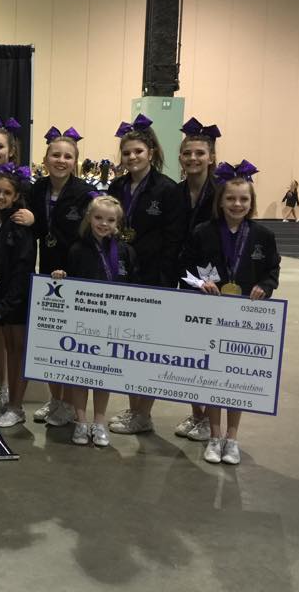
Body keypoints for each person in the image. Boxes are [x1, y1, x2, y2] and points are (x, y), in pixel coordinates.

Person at [181, 160, 280, 465]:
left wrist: (265, 285)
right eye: (231, 199)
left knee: (234, 377)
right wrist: (200, 283)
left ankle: (232, 438)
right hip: (211, 312)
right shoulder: (203, 232)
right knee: (213, 376)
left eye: (243, 199)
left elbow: (272, 270)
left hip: (244, 315)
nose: (237, 204)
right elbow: (185, 267)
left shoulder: (263, 236)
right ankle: (214, 435)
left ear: (251, 202)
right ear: (220, 201)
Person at [106, 114, 184, 435]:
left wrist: (165, 281)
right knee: (127, 347)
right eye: (127, 153)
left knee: (147, 349)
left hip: (153, 279)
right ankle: (133, 408)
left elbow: (174, 240)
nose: (132, 157)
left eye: (138, 151)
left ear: (151, 152)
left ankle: (144, 413)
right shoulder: (116, 187)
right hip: (121, 276)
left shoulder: (167, 190)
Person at [52, 194, 138, 447]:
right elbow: (69, 283)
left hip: (113, 324)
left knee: (104, 375)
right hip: (82, 323)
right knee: (80, 375)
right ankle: (81, 422)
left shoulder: (126, 252)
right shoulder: (77, 250)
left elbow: (134, 287)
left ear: (118, 223)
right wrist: (61, 277)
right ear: (89, 218)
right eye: (98, 218)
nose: (103, 224)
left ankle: (99, 422)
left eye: (110, 220)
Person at [27, 126, 92, 427]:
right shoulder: (36, 189)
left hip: (75, 273)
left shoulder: (84, 193)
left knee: (72, 341)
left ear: (75, 161)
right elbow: (38, 228)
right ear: (45, 159)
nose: (61, 160)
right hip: (48, 272)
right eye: (55, 155)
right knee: (51, 340)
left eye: (67, 156)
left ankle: (70, 404)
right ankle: (56, 399)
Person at [173, 116, 221, 442]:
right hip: (184, 277)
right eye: (188, 153)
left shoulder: (221, 193)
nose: (193, 158)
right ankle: (196, 414)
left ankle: (210, 419)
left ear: (211, 157)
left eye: (199, 153)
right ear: (180, 157)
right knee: (189, 349)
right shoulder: (173, 193)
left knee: (210, 351)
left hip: (214, 282)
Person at [0, 163, 36, 428]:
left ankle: (17, 407)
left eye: (6, 193)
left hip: (17, 299)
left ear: (16, 197)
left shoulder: (20, 224)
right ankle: (10, 404)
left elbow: (23, 268)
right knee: (10, 349)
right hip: (1, 296)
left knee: (17, 352)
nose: (0, 196)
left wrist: (7, 303)